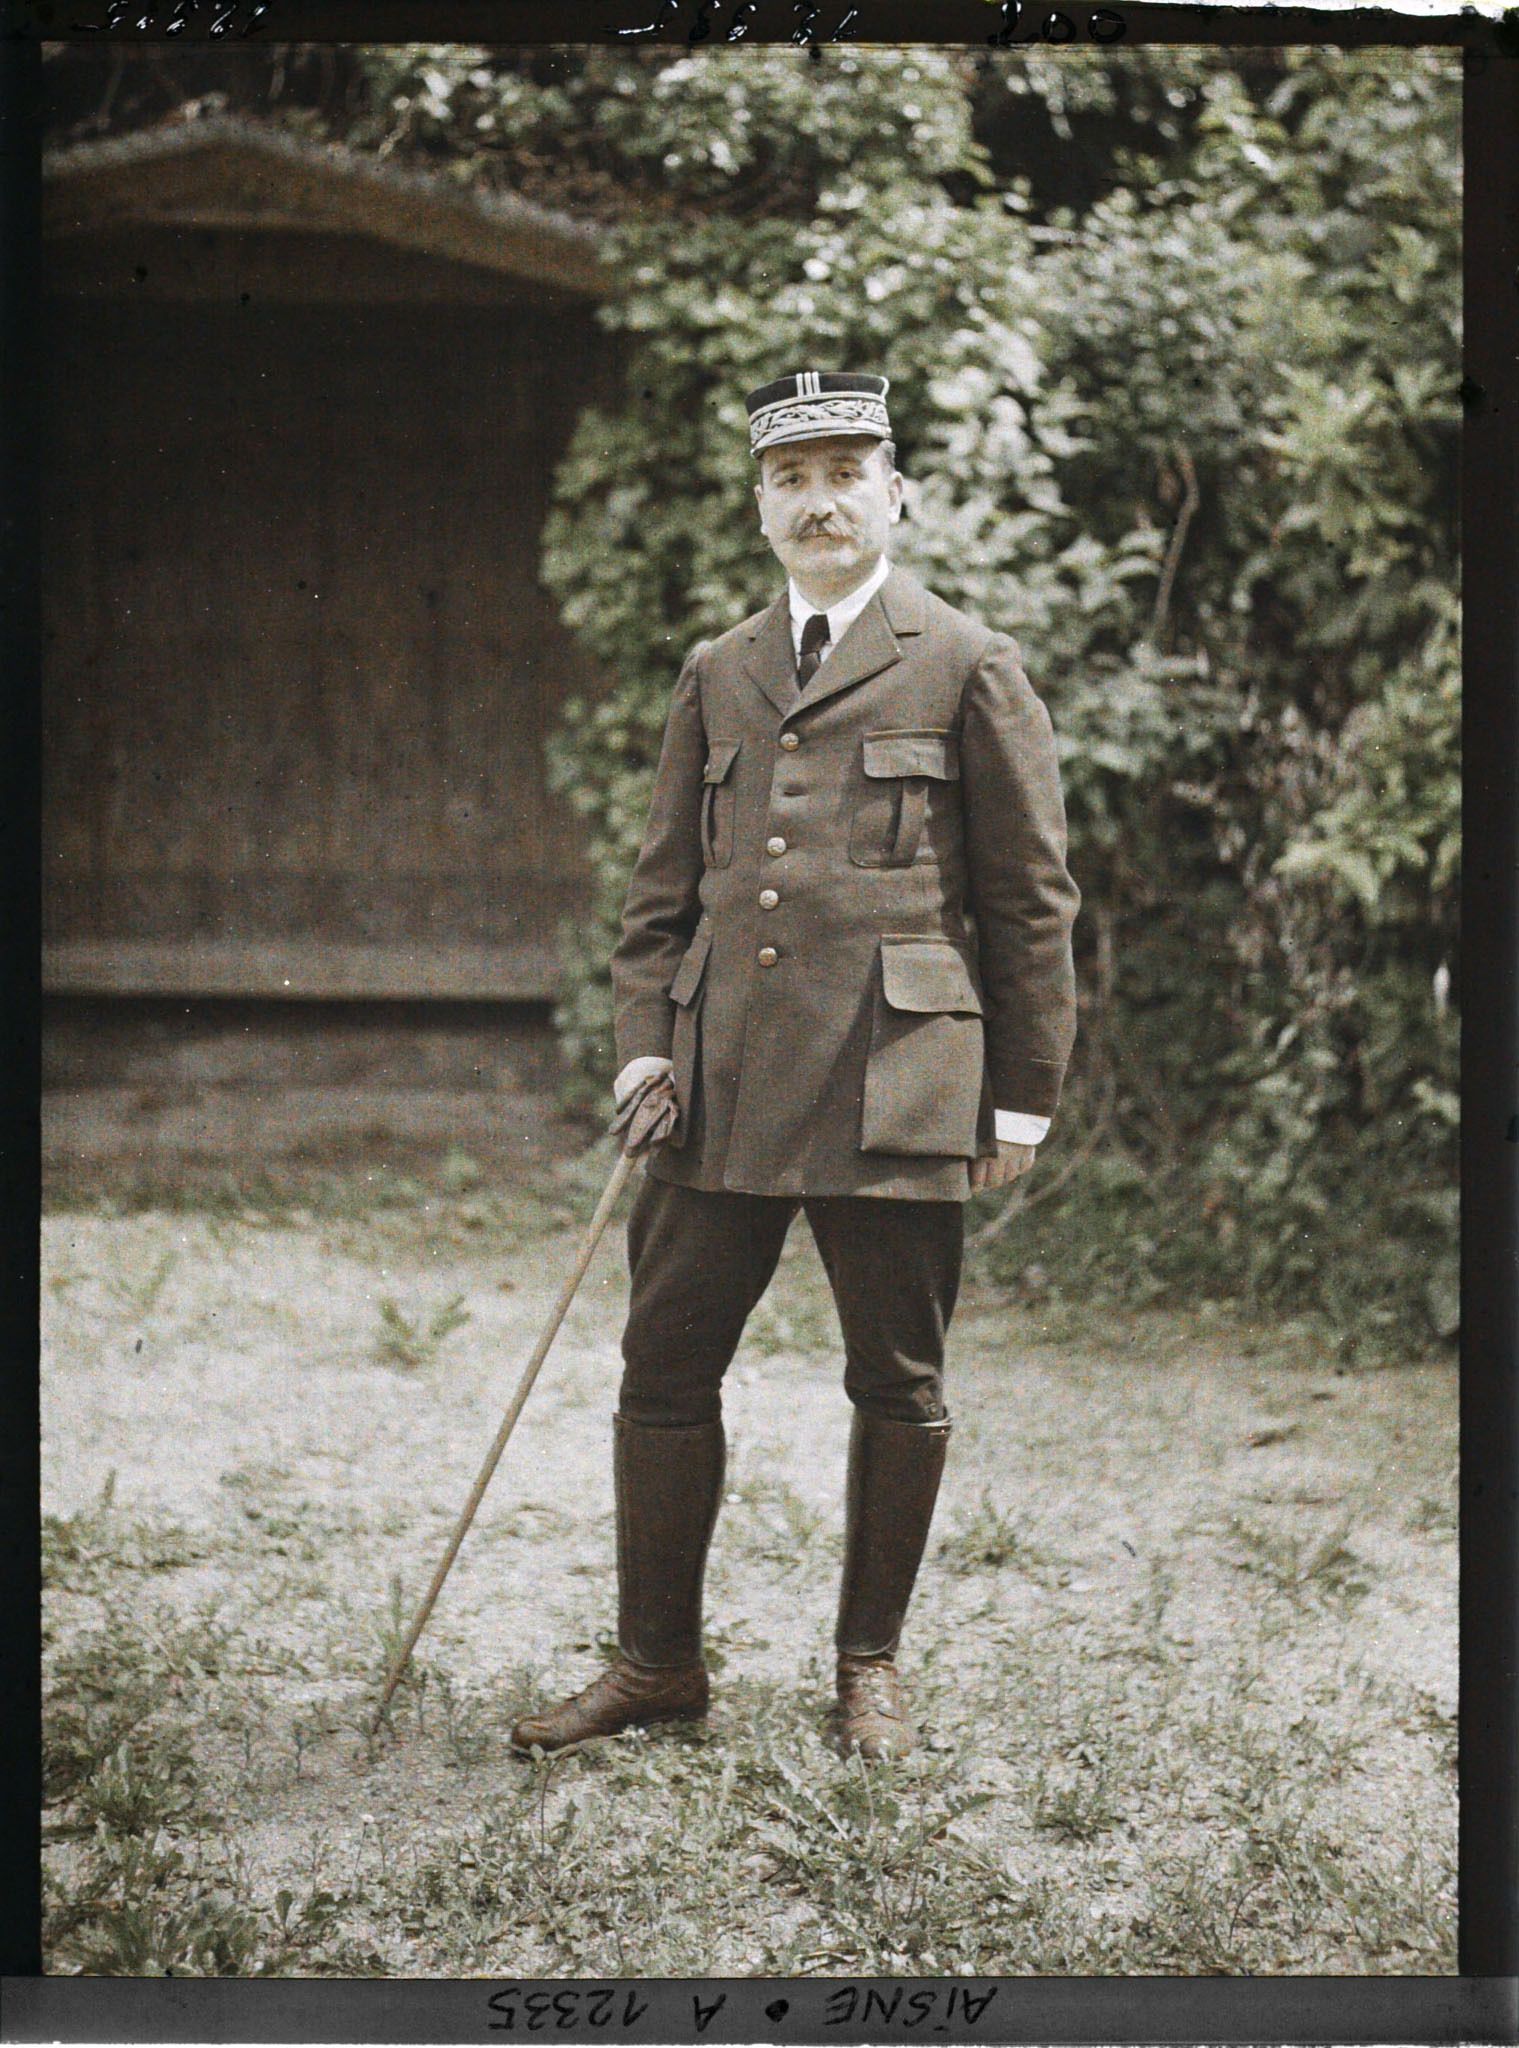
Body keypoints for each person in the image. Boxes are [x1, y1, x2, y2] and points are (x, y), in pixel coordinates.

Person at [511, 371, 1079, 1762]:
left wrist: (1020, 1100)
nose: (819, 500)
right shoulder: (719, 669)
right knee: (662, 1365)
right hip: (719, 1089)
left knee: (898, 1381)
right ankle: (657, 1665)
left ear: (899, 493)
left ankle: (867, 1666)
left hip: (898, 1079)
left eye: (846, 471)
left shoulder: (966, 662)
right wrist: (646, 1051)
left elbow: (1030, 900)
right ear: (761, 505)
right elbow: (660, 902)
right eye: (792, 477)